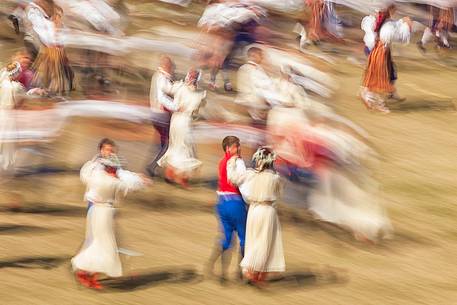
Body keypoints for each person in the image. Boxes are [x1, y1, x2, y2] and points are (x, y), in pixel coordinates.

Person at [71, 138, 150, 289]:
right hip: (97, 208)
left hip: (107, 210)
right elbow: (110, 182)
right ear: (101, 150)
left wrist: (138, 179)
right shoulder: (96, 169)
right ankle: (86, 270)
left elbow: (125, 176)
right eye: (107, 150)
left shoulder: (114, 171)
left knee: (106, 244)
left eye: (112, 150)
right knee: (101, 243)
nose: (109, 153)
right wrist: (133, 181)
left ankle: (89, 272)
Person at [227, 146, 284, 286]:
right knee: (266, 243)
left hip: (253, 210)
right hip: (268, 211)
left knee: (254, 240)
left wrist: (231, 163)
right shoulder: (276, 178)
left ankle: (253, 272)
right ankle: (255, 272)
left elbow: (233, 179)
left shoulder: (250, 174)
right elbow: (278, 195)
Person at [205, 136, 247, 284]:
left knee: (226, 238)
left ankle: (219, 271)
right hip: (235, 202)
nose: (239, 149)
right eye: (236, 146)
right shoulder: (237, 162)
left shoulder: (222, 162)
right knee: (244, 239)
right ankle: (240, 273)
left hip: (221, 202)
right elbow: (240, 182)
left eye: (239, 145)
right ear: (228, 148)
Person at [157, 69, 206, 188]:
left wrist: (162, 74)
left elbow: (165, 88)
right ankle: (182, 178)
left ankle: (170, 175)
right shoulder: (188, 90)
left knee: (177, 147)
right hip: (182, 121)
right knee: (185, 148)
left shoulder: (191, 90)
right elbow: (163, 92)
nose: (192, 78)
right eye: (192, 75)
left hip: (180, 120)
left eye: (194, 76)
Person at [360, 4, 412, 113]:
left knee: (390, 72)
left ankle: (382, 95)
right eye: (394, 9)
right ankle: (370, 96)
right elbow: (393, 34)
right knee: (379, 77)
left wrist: (403, 21)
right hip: (376, 51)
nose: (396, 10)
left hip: (380, 50)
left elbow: (391, 27)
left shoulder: (383, 20)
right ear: (389, 9)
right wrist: (406, 26)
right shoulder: (380, 22)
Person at [25, 0, 74, 95]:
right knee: (46, 76)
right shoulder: (34, 10)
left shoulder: (56, 11)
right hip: (48, 49)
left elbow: (63, 32)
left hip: (56, 50)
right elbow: (44, 34)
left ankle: (55, 91)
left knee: (63, 76)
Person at [147, 56, 180, 178]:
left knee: (161, 143)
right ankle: (153, 166)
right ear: (167, 66)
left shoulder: (159, 76)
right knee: (168, 144)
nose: (173, 70)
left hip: (156, 114)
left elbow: (167, 90)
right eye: (172, 67)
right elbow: (162, 97)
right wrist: (176, 107)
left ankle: (156, 167)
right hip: (161, 114)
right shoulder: (162, 78)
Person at [235, 47, 279, 127]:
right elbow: (263, 86)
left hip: (248, 100)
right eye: (261, 55)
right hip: (253, 102)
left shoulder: (245, 68)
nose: (262, 58)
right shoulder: (254, 69)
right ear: (254, 55)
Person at [0, 62, 25, 171]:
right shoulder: (18, 87)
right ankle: (7, 164)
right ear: (16, 74)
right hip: (10, 116)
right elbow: (20, 102)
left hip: (1, 113)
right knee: (9, 141)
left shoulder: (2, 83)